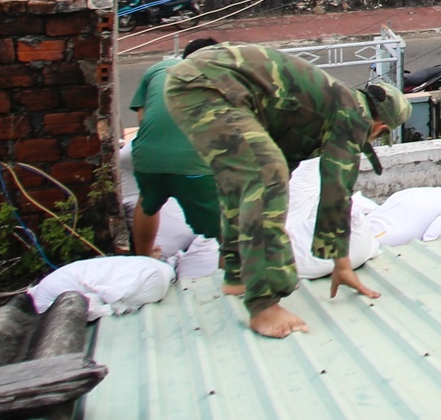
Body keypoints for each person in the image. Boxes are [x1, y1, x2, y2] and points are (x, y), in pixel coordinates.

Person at [164, 42, 411, 339]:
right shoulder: (352, 115)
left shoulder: (322, 106)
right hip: (209, 86)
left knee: (248, 180)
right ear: (380, 126)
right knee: (266, 174)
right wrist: (342, 264)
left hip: (199, 82)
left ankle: (237, 273)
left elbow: (281, 165)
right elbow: (336, 192)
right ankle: (263, 304)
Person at [127, 36, 223, 258]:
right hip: (193, 163)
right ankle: (230, 267)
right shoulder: (219, 78)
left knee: (148, 202)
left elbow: (143, 120)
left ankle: (144, 258)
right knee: (223, 224)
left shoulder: (158, 69)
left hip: (147, 157)